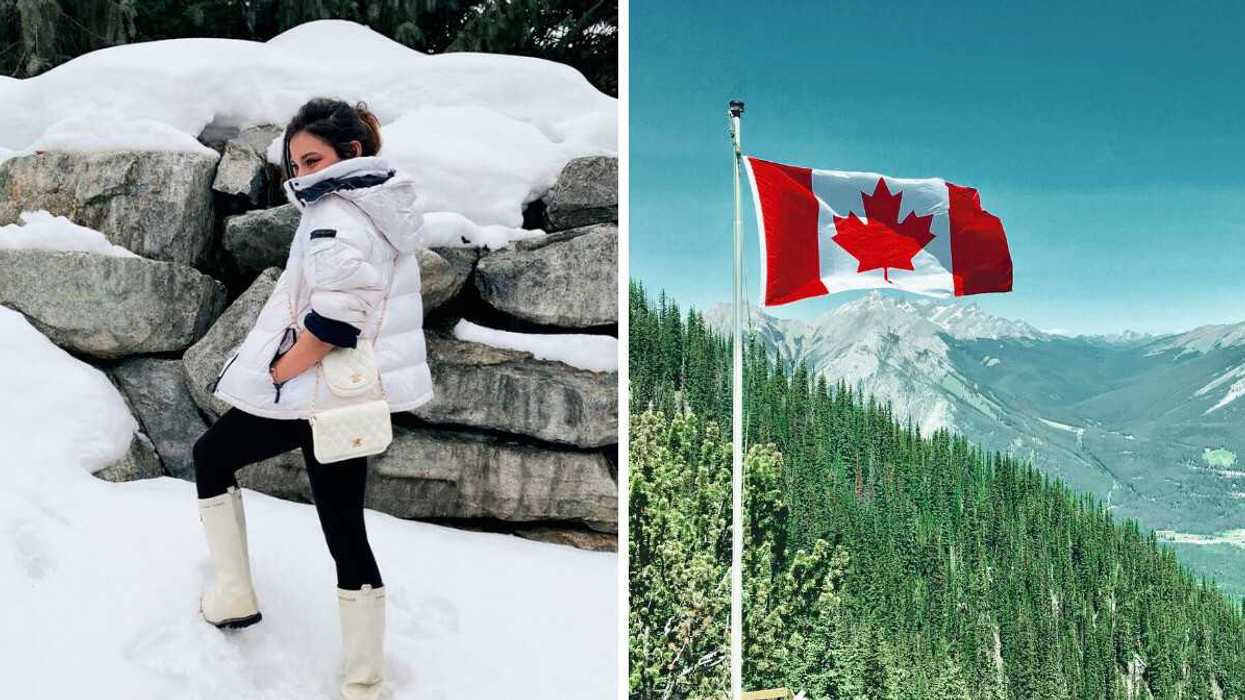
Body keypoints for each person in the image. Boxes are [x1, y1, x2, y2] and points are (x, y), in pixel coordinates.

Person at [192, 97, 433, 700]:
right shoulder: (381, 207)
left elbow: (337, 316)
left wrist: (279, 368)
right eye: (293, 165)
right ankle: (363, 681)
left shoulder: (333, 212)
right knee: (345, 529)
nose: (299, 176)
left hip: (305, 392)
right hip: (348, 398)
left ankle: (233, 595)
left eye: (309, 160)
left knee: (210, 457)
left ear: (350, 153)